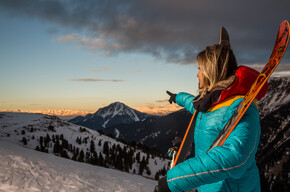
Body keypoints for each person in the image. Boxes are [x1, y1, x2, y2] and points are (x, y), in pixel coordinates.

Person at [154, 35, 268, 192]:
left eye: (200, 69)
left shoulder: (241, 107)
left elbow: (234, 158)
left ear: (210, 72)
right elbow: (196, 106)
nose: (197, 74)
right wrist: (178, 97)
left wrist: (174, 181)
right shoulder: (214, 100)